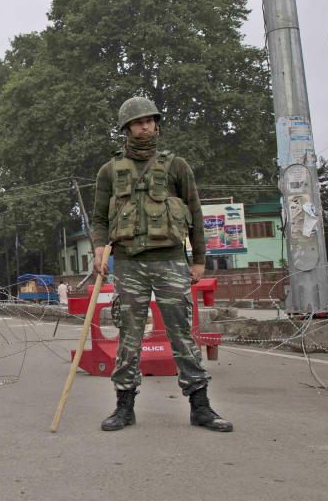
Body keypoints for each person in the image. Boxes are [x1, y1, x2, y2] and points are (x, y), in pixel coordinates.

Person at [90, 97, 232, 432]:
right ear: (126, 128)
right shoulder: (109, 171)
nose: (146, 127)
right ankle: (124, 407)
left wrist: (199, 260)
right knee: (129, 336)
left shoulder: (176, 166)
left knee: (181, 334)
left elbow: (195, 212)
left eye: (150, 121)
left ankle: (201, 407)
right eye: (138, 122)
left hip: (169, 261)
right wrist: (99, 248)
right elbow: (98, 218)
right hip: (128, 263)